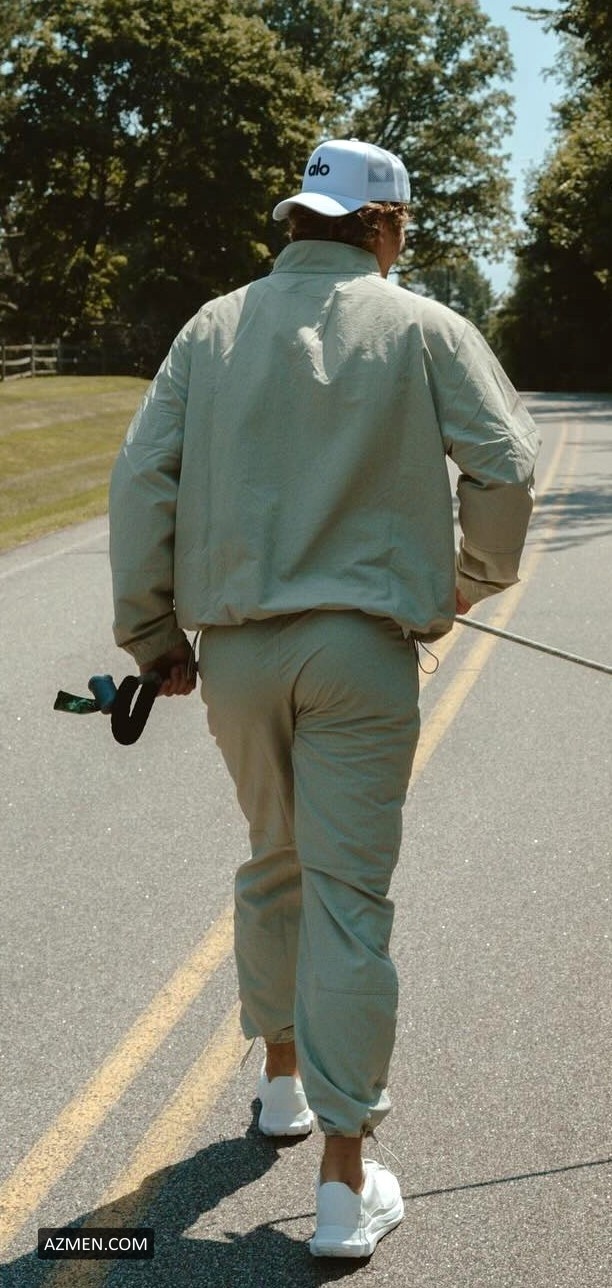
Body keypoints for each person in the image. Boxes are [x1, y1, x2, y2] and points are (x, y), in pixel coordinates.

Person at [109, 138, 540, 1259]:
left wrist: (153, 635)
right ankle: (345, 1182)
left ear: (301, 217)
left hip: (238, 656)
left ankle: (282, 1083)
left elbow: (142, 478)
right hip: (360, 651)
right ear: (383, 225)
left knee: (275, 862)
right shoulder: (424, 326)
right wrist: (467, 582)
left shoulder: (211, 328)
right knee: (348, 898)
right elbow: (503, 466)